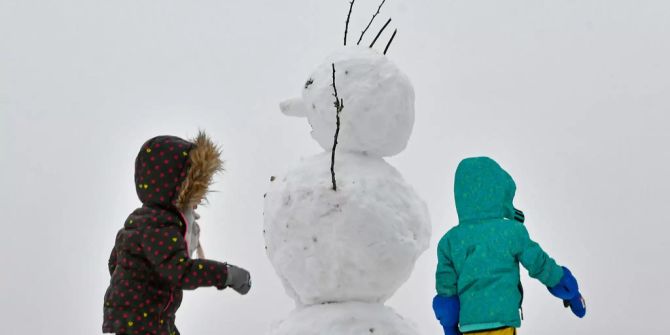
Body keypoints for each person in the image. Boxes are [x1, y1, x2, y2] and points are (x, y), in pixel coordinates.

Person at [103, 132, 251, 335]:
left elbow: (115, 263)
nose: (198, 201)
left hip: (144, 320)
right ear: (178, 188)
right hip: (142, 324)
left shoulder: (142, 220)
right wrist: (227, 275)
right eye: (196, 191)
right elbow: (181, 272)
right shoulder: (160, 226)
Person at [433, 157, 585, 335]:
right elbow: (540, 264)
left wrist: (450, 327)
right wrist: (569, 290)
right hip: (502, 323)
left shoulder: (450, 241)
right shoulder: (512, 232)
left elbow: (446, 293)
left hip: (470, 328)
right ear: (498, 192)